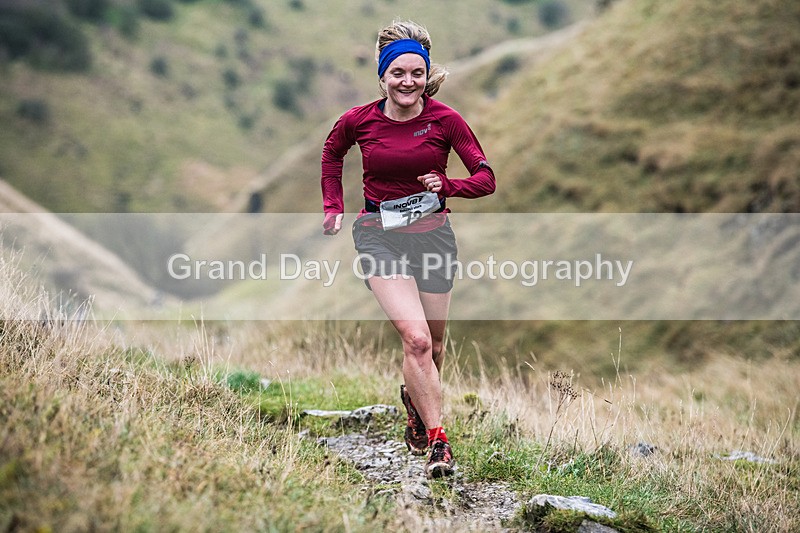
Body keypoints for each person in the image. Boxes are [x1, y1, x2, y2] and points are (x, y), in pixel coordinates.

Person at [320, 20, 495, 478]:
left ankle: (416, 405)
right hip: (378, 236)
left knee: (435, 347)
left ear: (426, 75)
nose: (407, 81)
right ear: (382, 75)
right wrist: (333, 204)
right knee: (415, 338)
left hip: (434, 237)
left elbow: (486, 178)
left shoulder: (446, 121)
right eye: (398, 72)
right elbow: (332, 153)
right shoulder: (358, 120)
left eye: (417, 73)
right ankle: (440, 443)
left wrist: (449, 185)